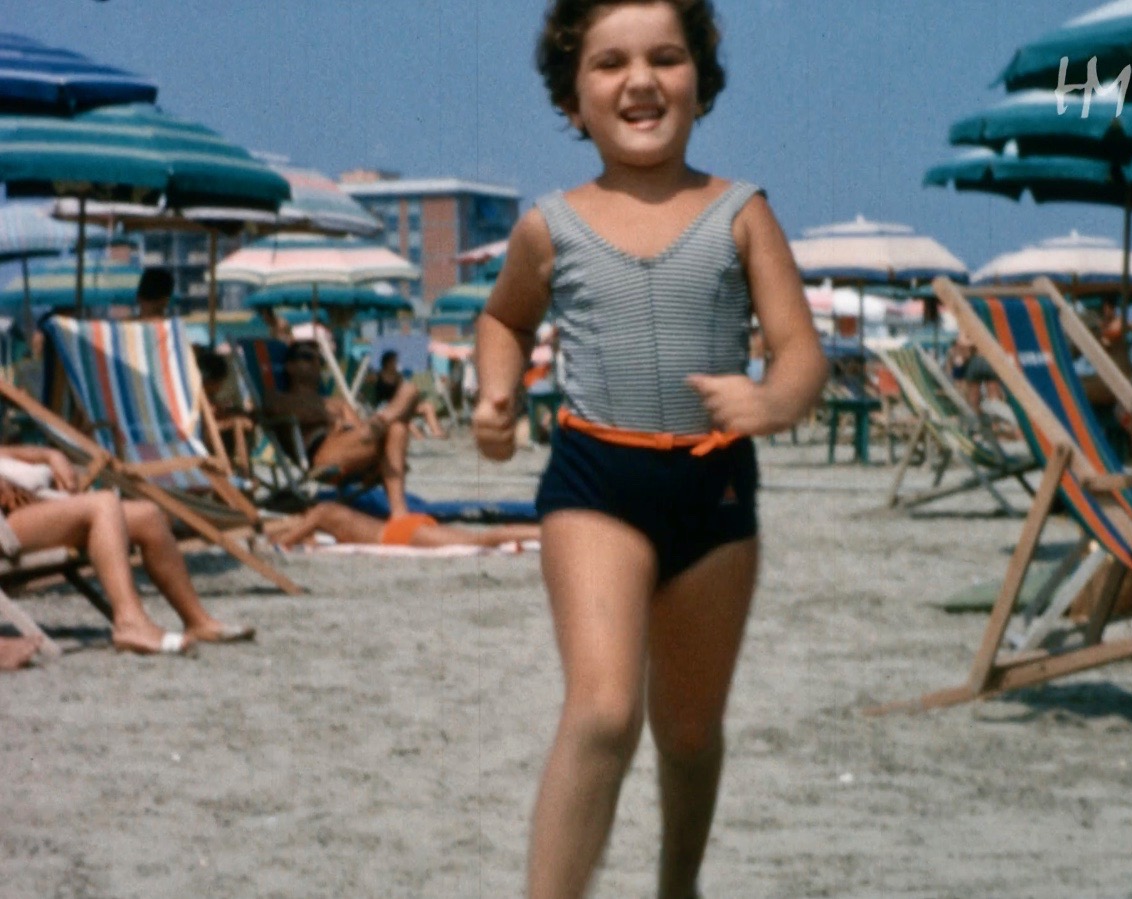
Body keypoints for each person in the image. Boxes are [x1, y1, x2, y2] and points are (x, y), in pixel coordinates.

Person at [472, 2, 827, 896]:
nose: (640, 80)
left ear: (699, 82)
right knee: (601, 711)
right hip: (597, 481)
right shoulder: (549, 226)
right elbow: (502, 318)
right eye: (609, 64)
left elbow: (802, 356)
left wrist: (772, 399)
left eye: (666, 58)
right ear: (573, 98)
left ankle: (678, 884)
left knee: (692, 731)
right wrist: (495, 390)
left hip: (715, 495)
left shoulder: (741, 213)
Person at [0, 444, 254, 655]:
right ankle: (130, 624)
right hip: (6, 525)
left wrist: (49, 455)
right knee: (103, 504)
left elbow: (7, 451)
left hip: (29, 505)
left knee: (147, 515)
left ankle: (198, 621)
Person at [262, 340, 418, 514]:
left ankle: (399, 514)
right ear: (290, 366)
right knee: (399, 409)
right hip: (322, 453)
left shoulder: (338, 403)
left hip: (353, 448)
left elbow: (359, 432)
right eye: (306, 357)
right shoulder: (278, 397)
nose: (315, 363)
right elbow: (292, 412)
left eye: (319, 360)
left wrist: (338, 423)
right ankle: (386, 417)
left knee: (399, 425)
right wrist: (330, 418)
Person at [271, 500, 539, 550]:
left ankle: (542, 532)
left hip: (397, 536)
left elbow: (287, 540)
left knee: (481, 539)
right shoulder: (331, 513)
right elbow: (306, 535)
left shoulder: (322, 511)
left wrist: (287, 535)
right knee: (478, 537)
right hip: (403, 528)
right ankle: (540, 532)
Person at [365, 350, 448, 439]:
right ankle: (419, 436)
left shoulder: (398, 377)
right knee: (402, 416)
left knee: (428, 406)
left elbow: (403, 392)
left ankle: (436, 431)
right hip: (385, 406)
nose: (396, 364)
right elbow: (365, 381)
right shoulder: (378, 376)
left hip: (399, 405)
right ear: (387, 363)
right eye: (394, 361)